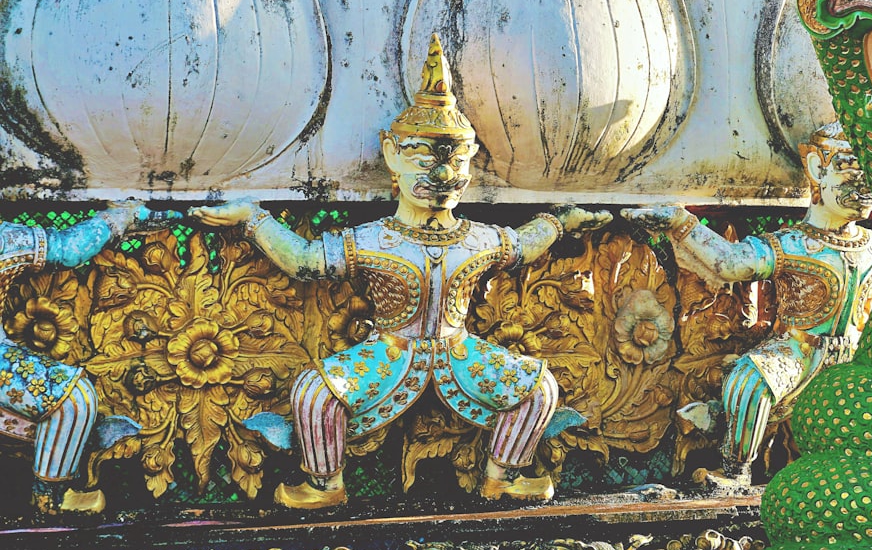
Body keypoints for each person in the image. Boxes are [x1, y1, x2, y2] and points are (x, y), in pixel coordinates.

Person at [192, 35, 610, 508]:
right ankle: (325, 484)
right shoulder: (375, 239)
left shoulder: (476, 238)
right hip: (389, 351)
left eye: (456, 160)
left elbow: (524, 246)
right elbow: (306, 261)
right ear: (392, 155)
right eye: (425, 159)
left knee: (540, 387)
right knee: (314, 392)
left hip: (461, 351)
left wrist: (561, 221)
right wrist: (255, 219)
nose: (444, 174)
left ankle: (503, 474)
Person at [623, 123, 872, 487]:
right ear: (815, 169)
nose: (863, 184)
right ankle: (736, 470)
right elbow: (730, 262)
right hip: (800, 349)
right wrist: (681, 223)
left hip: (859, 358)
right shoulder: (792, 244)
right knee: (750, 380)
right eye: (848, 168)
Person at [0, 201, 163, 513]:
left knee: (75, 401)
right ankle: (52, 498)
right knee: (74, 401)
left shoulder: (6, 241)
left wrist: (121, 218)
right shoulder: (5, 241)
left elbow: (67, 249)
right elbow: (69, 249)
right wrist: (122, 216)